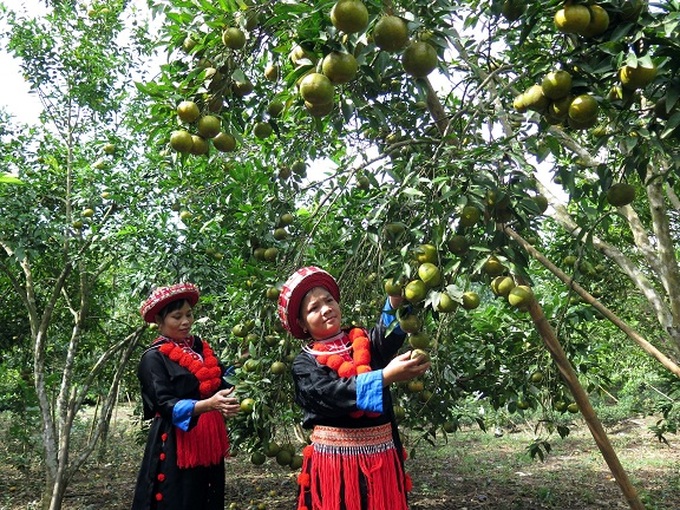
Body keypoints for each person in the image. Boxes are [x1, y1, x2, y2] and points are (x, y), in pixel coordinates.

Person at [277, 266, 430, 510]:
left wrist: (395, 299)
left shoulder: (363, 340)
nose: (326, 309)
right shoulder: (304, 364)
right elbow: (330, 394)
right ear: (302, 323)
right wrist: (384, 377)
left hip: (381, 460)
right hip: (335, 467)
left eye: (329, 301)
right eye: (314, 308)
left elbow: (387, 334)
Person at [131, 282, 241, 510]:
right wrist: (208, 405)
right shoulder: (153, 359)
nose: (185, 322)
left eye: (189, 315)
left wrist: (242, 367)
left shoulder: (200, 348)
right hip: (176, 441)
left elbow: (219, 380)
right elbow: (164, 403)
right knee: (179, 498)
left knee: (207, 495)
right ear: (159, 322)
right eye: (176, 316)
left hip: (209, 439)